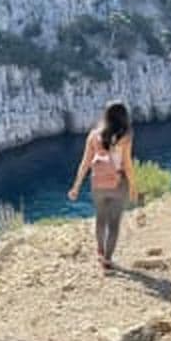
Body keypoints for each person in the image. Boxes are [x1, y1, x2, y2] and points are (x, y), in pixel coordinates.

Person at [68, 100, 138, 270]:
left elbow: (85, 163)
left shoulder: (93, 135)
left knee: (100, 218)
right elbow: (127, 164)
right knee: (114, 223)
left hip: (97, 183)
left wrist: (76, 186)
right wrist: (134, 186)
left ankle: (99, 252)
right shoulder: (125, 136)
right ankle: (107, 259)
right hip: (118, 183)